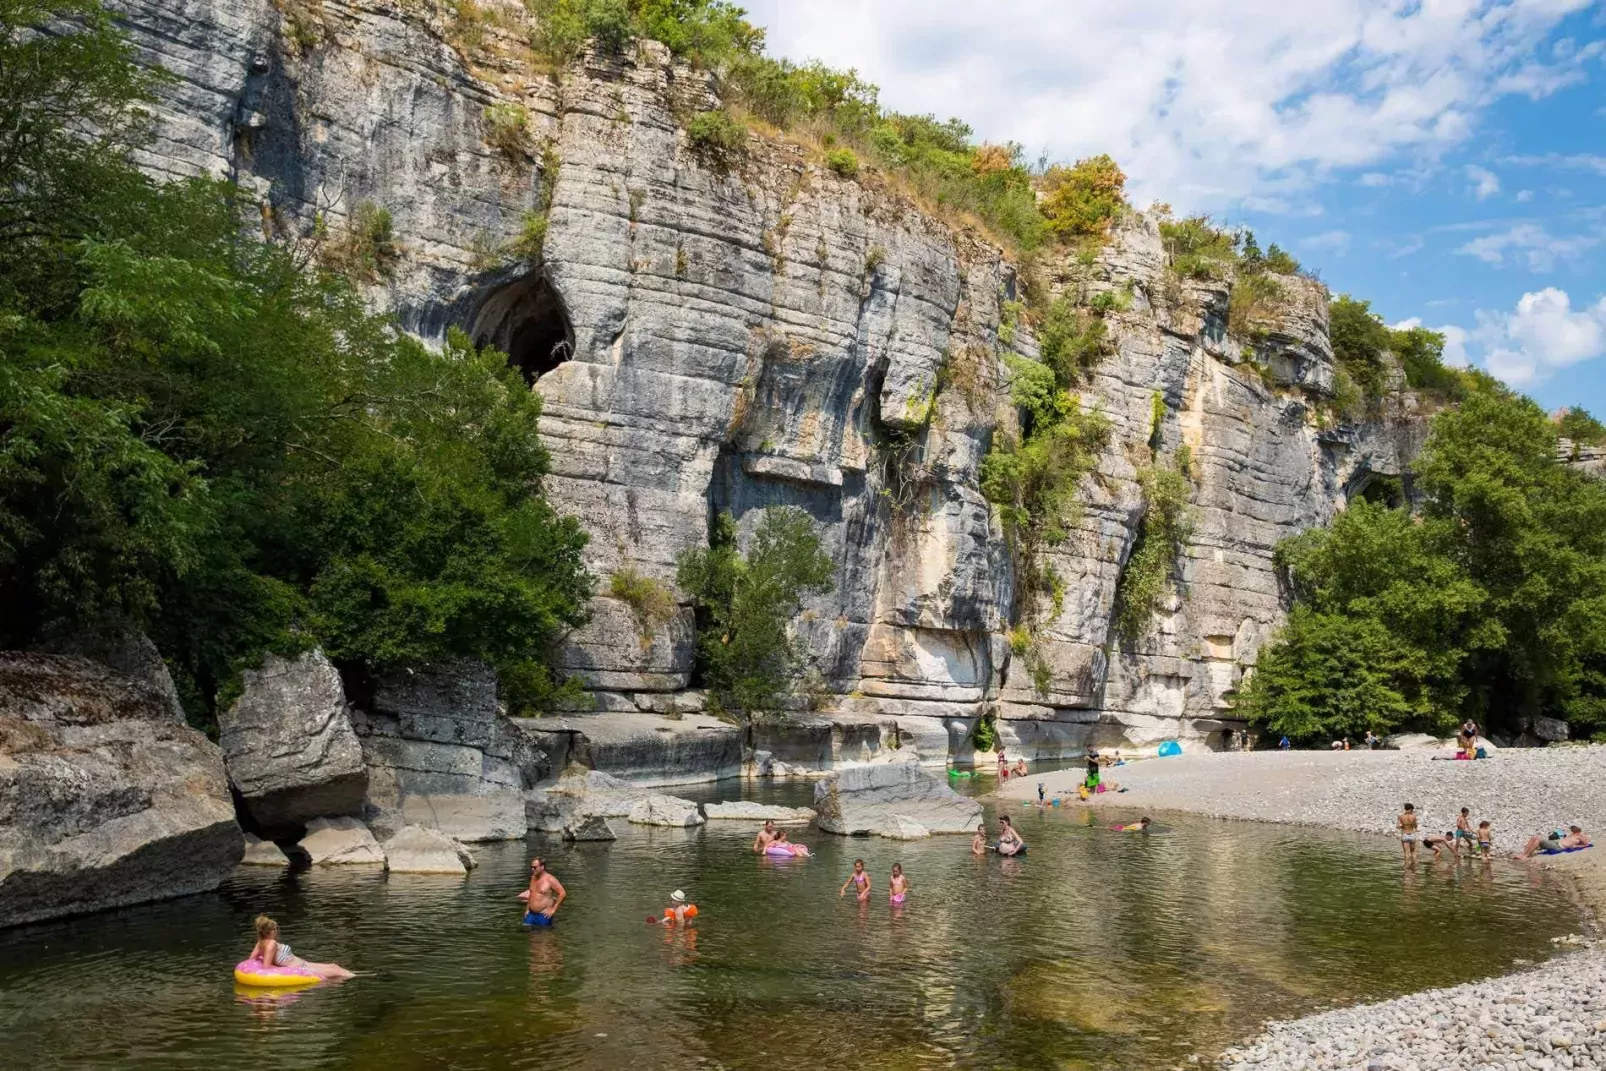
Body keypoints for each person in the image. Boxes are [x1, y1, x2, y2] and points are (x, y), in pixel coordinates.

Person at [247, 915, 354, 980]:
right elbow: (267, 967)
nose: (276, 931)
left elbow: (251, 960)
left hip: (304, 964)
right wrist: (285, 969)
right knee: (339, 973)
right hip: (301, 969)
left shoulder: (260, 943)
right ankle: (367, 976)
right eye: (274, 929)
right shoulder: (271, 944)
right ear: (269, 931)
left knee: (334, 966)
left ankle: (361, 975)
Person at [519, 856, 566, 926]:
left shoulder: (550, 879)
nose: (532, 869)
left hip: (543, 915)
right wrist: (527, 909)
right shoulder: (533, 877)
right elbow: (532, 894)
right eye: (531, 867)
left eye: (534, 867)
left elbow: (563, 893)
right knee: (529, 934)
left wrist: (553, 910)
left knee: (543, 935)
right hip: (530, 914)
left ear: (542, 867)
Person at [1518, 824, 1591, 859]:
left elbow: (1586, 844)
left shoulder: (1581, 836)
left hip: (1558, 847)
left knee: (1538, 839)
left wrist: (1576, 846)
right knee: (1534, 837)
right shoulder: (1572, 835)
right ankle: (1523, 853)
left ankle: (1526, 856)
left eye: (1574, 828)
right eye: (1572, 829)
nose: (1572, 830)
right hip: (1555, 843)